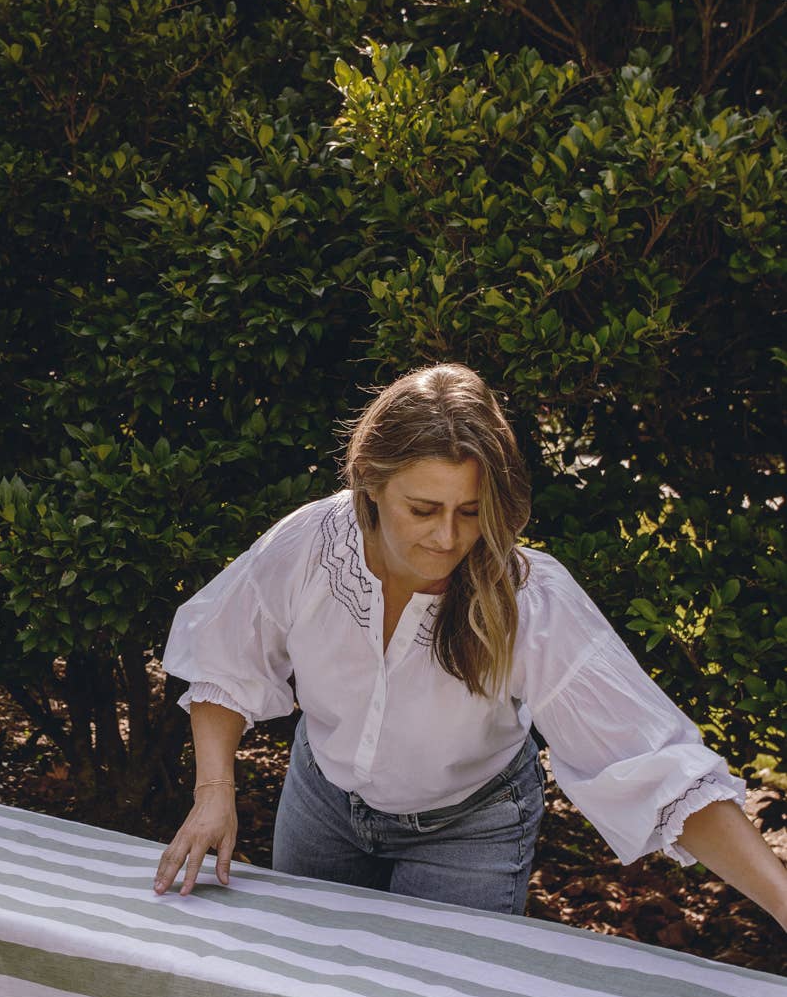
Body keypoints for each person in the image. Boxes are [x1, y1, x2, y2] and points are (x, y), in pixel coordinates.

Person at [154, 362, 787, 933]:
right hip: (321, 808)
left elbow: (656, 765)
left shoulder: (530, 599)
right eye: (424, 508)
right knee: (306, 993)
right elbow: (225, 654)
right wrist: (215, 789)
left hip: (469, 832)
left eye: (470, 510)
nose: (448, 536)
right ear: (371, 482)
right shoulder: (312, 544)